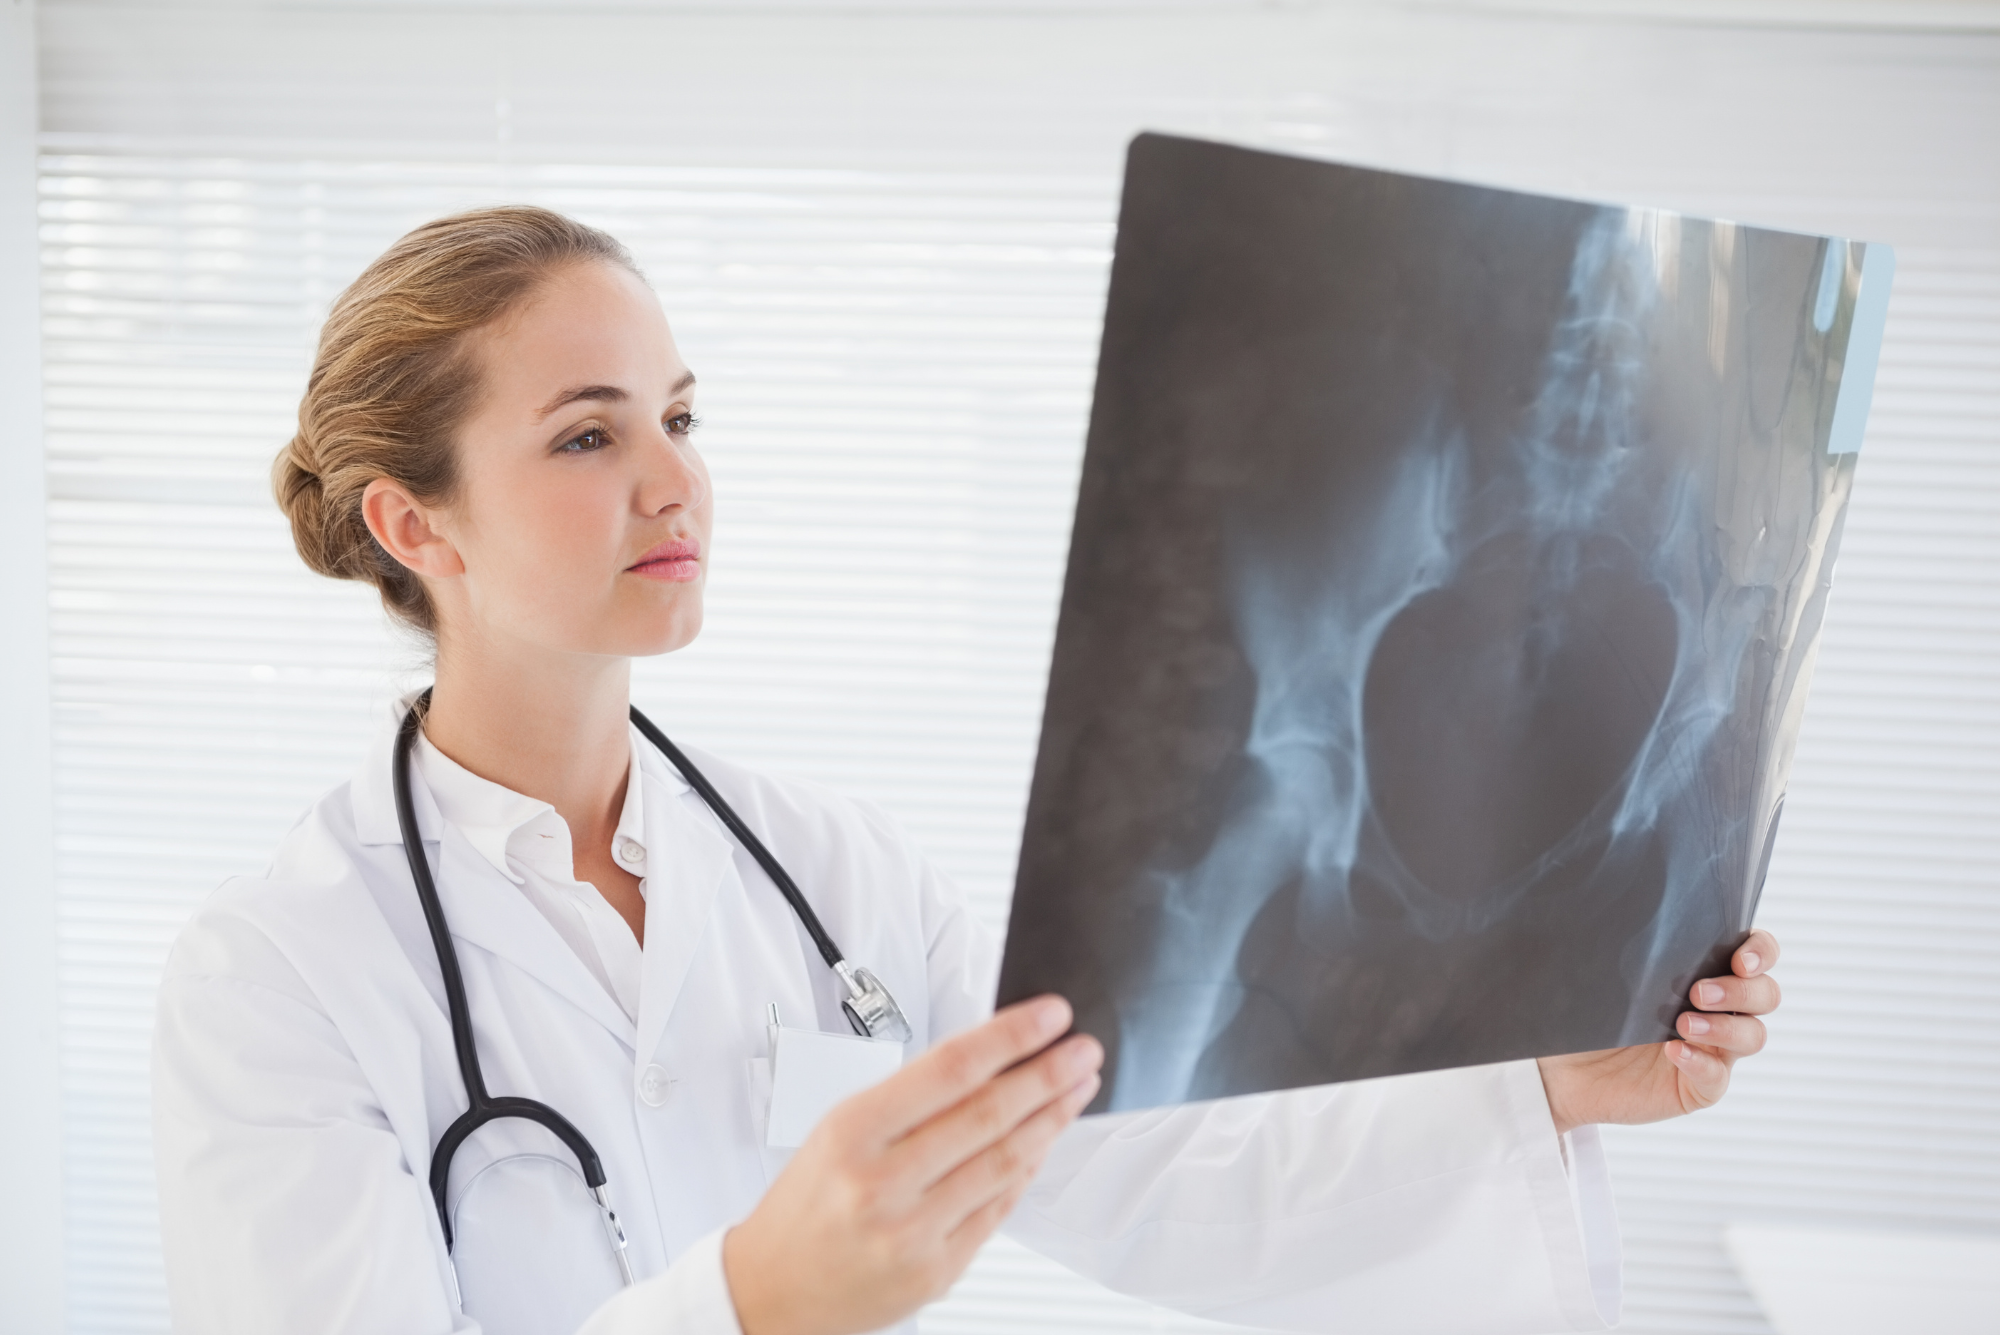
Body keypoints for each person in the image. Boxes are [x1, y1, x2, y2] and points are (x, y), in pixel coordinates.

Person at [151, 206, 1784, 1335]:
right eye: (590, 434)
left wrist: (1549, 1084)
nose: (677, 482)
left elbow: (1137, 1160)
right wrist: (757, 1297)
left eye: (683, 414)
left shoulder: (831, 873)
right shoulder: (280, 971)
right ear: (412, 520)